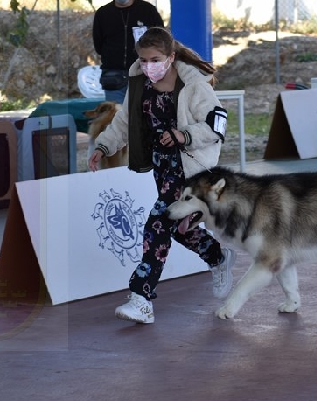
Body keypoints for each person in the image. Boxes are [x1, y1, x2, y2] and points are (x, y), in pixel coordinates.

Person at [88, 27, 235, 325]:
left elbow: (217, 125)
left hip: (192, 172)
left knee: (157, 224)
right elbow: (124, 122)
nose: (148, 66)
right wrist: (103, 146)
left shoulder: (194, 85)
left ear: (170, 57)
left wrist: (184, 135)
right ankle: (218, 257)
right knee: (179, 230)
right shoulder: (140, 83)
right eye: (143, 60)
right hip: (163, 169)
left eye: (154, 60)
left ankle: (141, 298)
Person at [92, 0, 164, 104]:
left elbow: (161, 39)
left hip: (142, 73)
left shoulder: (147, 10)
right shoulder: (103, 13)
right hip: (112, 76)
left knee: (143, 112)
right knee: (115, 113)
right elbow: (98, 45)